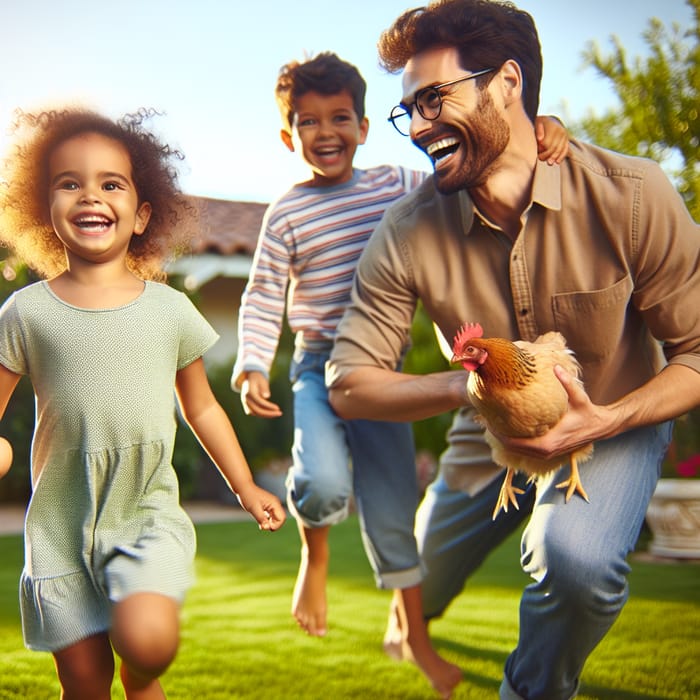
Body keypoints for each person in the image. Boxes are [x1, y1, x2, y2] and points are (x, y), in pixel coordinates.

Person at [325, 1, 700, 699]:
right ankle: (412, 622)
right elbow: (348, 382)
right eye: (410, 109)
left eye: (435, 99)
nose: (419, 126)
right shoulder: (407, 233)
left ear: (506, 82)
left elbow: (698, 352)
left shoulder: (634, 196)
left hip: (614, 423)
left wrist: (607, 420)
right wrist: (464, 391)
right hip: (487, 436)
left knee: (574, 560)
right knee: (421, 573)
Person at [231, 51, 568, 697]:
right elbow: (263, 293)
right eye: (308, 122)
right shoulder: (286, 213)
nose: (325, 132)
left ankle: (414, 636)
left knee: (393, 513)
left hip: (379, 376)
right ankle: (316, 554)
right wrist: (251, 364)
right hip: (315, 367)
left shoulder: (394, 184)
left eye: (339, 118)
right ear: (288, 136)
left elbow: (470, 171)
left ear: (362, 126)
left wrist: (541, 130)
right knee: (323, 484)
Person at [0, 108, 286, 700]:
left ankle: (141, 672)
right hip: (60, 522)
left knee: (147, 644)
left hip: (145, 514)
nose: (90, 195)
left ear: (142, 213)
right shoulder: (25, 313)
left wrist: (246, 487)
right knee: (83, 682)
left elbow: (203, 408)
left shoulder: (171, 310)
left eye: (111, 183)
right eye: (69, 183)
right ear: (43, 208)